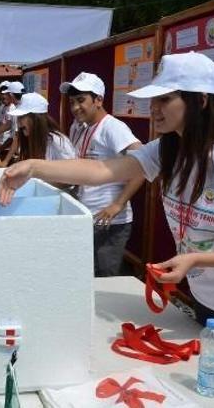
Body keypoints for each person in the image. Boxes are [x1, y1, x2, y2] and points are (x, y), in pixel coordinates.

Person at [0, 52, 214, 373]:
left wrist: (194, 260)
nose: (155, 108)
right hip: (207, 302)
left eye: (165, 99)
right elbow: (100, 170)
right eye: (154, 99)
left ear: (201, 100)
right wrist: (34, 167)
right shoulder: (166, 151)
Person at [60, 72, 144, 277]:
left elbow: (143, 165)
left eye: (81, 100)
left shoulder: (113, 127)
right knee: (86, 275)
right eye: (72, 102)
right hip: (86, 215)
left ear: (98, 100)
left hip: (110, 223)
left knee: (105, 277)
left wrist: (118, 204)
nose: (75, 107)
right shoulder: (77, 127)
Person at [10, 92, 76, 162]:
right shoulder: (30, 139)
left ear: (36, 118)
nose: (18, 122)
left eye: (22, 117)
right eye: (18, 117)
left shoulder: (56, 142)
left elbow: (71, 169)